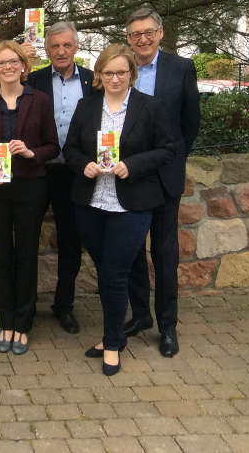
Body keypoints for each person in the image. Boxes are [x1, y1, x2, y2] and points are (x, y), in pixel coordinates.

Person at [63, 44, 173, 375]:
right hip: (91, 203)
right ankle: (118, 333)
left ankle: (112, 342)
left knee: (114, 274)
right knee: (106, 271)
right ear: (99, 75)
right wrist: (84, 165)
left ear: (131, 74)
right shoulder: (87, 106)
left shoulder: (150, 107)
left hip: (132, 204)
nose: (114, 78)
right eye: (108, 72)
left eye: (121, 72)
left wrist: (133, 165)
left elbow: (168, 148)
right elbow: (69, 149)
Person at [0, 40, 59, 355]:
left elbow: (52, 146)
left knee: (27, 255)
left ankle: (23, 324)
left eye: (12, 61)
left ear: (23, 66)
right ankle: (5, 322)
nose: (7, 67)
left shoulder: (40, 101)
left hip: (31, 187)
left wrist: (31, 152)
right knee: (1, 255)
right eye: (1, 63)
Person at [124, 8, 200, 357]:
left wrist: (171, 158)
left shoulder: (180, 69)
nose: (142, 39)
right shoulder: (122, 67)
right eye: (135, 34)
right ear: (128, 38)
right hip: (131, 175)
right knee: (133, 252)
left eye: (148, 32)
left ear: (160, 33)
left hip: (165, 176)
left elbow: (190, 124)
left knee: (165, 253)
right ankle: (141, 316)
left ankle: (168, 326)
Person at [26, 21, 96, 334]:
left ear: (76, 47)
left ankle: (63, 306)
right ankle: (24, 308)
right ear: (47, 49)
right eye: (54, 46)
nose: (61, 51)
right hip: (38, 170)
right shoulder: (34, 79)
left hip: (75, 172)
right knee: (27, 237)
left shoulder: (93, 81)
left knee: (71, 241)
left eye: (67, 45)